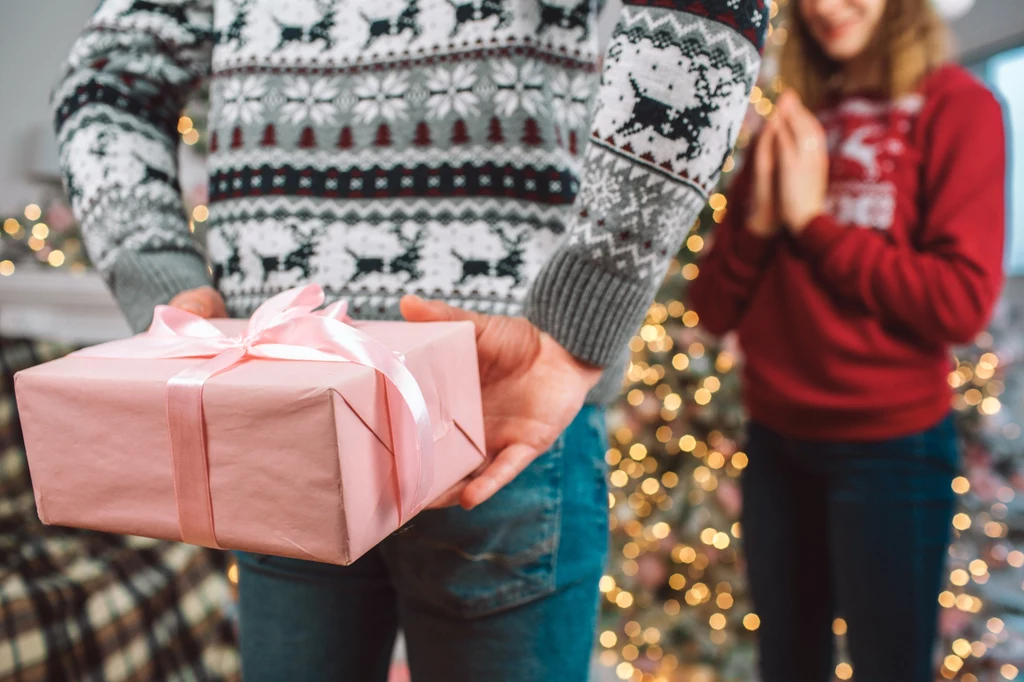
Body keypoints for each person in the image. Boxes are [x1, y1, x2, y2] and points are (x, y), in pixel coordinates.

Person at [53, 0, 767, 679]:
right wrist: (165, 282)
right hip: (282, 409)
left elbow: (107, 80)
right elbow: (108, 83)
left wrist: (584, 309)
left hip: (484, 401)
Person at [688, 0, 1006, 680]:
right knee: (787, 665)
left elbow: (959, 303)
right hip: (777, 443)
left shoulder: (958, 106)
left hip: (892, 452)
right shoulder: (793, 119)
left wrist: (813, 226)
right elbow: (712, 306)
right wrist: (764, 222)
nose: (825, 6)